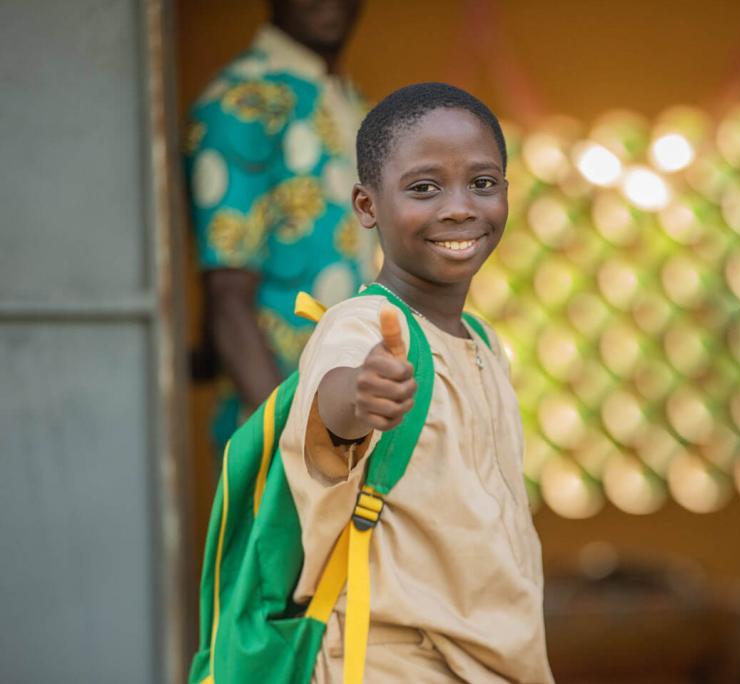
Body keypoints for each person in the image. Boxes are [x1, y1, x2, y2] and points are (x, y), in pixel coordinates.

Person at [278, 83, 554, 683]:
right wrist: (360, 395)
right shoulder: (360, 325)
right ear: (367, 205)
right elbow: (335, 403)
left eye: (482, 183)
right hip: (394, 661)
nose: (459, 207)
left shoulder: (481, 341)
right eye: (424, 188)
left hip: (487, 663)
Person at [184, 0, 373, 452]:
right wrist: (296, 445)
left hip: (352, 427)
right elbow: (227, 293)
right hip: (281, 431)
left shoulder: (350, 102)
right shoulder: (243, 101)